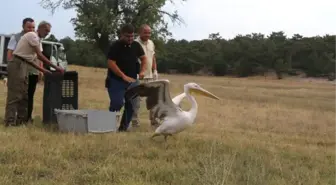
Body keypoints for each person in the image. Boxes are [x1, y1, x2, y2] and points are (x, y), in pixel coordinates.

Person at [4, 21, 64, 126]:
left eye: (49, 31)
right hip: (17, 64)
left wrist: (43, 70)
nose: (47, 33)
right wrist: (56, 67)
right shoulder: (33, 36)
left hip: (24, 64)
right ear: (40, 28)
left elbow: (31, 59)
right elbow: (40, 56)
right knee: (15, 94)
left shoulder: (38, 40)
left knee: (24, 94)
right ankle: (9, 121)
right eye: (46, 30)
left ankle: (21, 121)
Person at [105, 23, 147, 132]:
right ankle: (108, 126)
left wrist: (142, 71)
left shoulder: (136, 45)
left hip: (133, 81)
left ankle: (123, 129)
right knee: (117, 103)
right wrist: (123, 76)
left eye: (132, 36)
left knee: (132, 105)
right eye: (128, 36)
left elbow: (144, 59)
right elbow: (111, 63)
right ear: (121, 35)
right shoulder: (115, 46)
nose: (130, 38)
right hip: (116, 81)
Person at [7, 18, 44, 123]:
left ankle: (25, 118)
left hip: (32, 70)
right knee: (15, 95)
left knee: (28, 96)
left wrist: (41, 70)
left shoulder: (36, 38)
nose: (31, 29)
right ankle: (10, 119)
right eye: (29, 27)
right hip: (19, 67)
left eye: (33, 27)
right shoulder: (16, 37)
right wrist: (12, 68)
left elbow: (39, 56)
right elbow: (10, 54)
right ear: (23, 27)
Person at [131, 24, 158, 127]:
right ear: (140, 32)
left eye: (149, 32)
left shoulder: (151, 43)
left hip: (150, 77)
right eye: (145, 32)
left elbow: (153, 57)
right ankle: (135, 122)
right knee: (136, 101)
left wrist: (155, 70)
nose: (148, 35)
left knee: (153, 100)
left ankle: (154, 121)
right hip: (138, 77)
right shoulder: (134, 43)